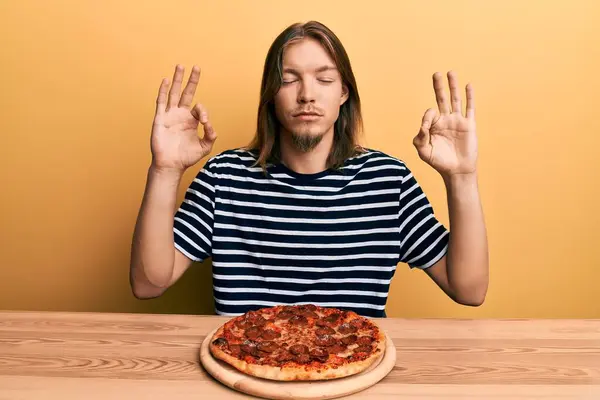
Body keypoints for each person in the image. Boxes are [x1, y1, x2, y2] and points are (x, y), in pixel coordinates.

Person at [129, 21, 489, 317]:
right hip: (245, 372)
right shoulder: (224, 177)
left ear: (344, 93)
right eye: (289, 79)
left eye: (324, 79)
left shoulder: (388, 181)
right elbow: (148, 284)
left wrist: (462, 177)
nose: (307, 95)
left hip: (353, 375)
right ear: (271, 94)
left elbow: (469, 290)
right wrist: (164, 169)